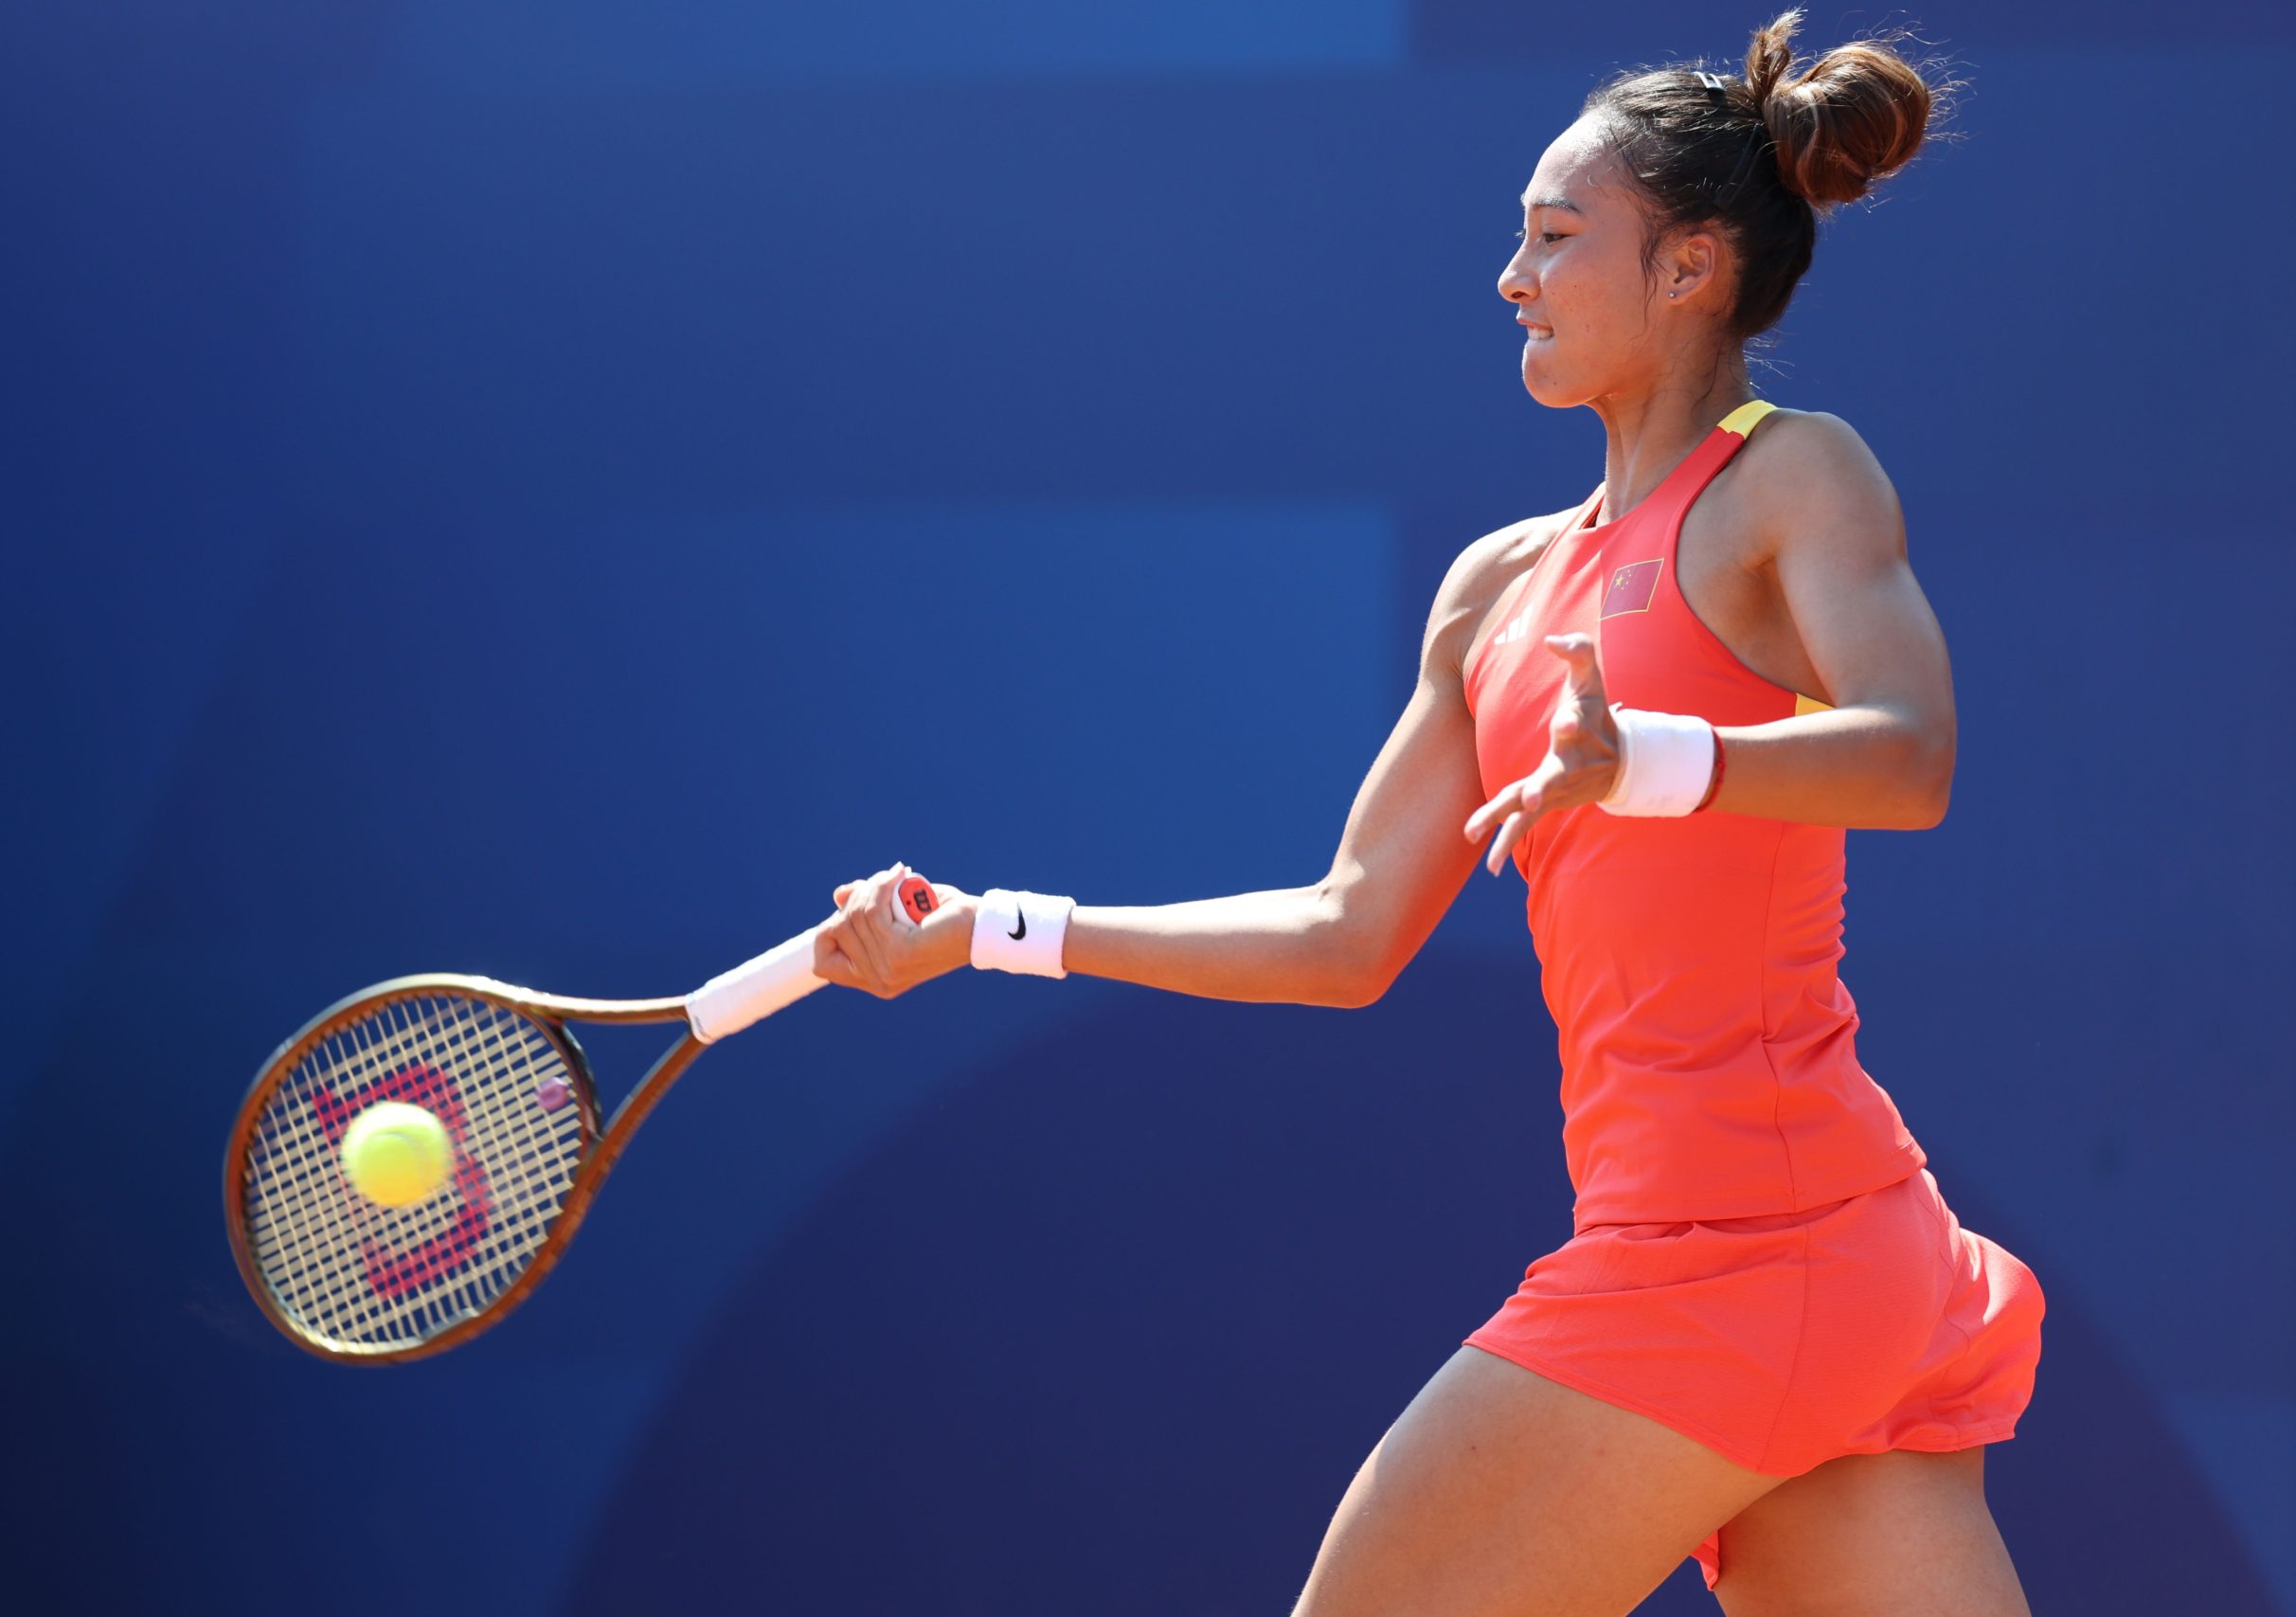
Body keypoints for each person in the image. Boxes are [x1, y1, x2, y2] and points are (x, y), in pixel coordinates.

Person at [812, 10, 2045, 1612]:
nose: (1511, 278)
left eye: (1554, 237)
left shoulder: (1792, 479)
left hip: (1757, 1242)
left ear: (1689, 270)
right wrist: (994, 933)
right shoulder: (1494, 592)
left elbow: (1911, 755)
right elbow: (1344, 931)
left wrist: (1654, 761)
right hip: (1803, 1266)